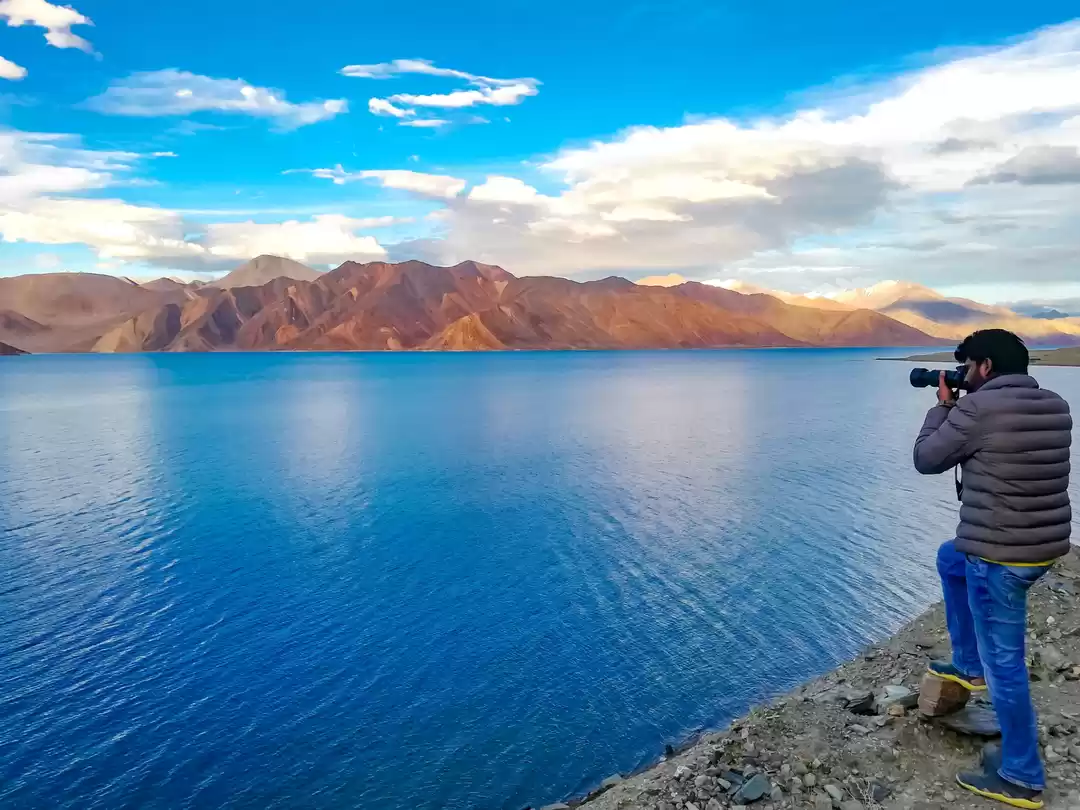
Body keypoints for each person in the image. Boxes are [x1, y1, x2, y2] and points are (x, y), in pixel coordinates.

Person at [913, 328, 1072, 809]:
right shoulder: (1056, 403)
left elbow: (926, 459)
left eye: (967, 367)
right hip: (1042, 545)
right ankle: (967, 664)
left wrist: (943, 405)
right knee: (949, 557)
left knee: (1007, 663)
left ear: (983, 367)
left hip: (1000, 556)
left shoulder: (975, 409)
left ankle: (1021, 776)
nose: (963, 375)